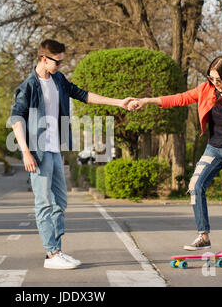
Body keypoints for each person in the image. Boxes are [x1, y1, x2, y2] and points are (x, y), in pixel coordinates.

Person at [11, 39, 134, 270]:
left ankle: (56, 250)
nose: (60, 66)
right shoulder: (28, 86)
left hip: (55, 150)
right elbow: (16, 119)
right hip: (38, 152)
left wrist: (119, 103)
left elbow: (83, 95)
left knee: (61, 202)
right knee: (44, 203)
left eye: (62, 61)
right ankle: (51, 253)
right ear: (43, 59)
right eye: (57, 62)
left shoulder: (58, 79)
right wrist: (25, 152)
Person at [129, 56, 222, 269]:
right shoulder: (205, 89)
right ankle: (203, 235)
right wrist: (146, 101)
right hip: (214, 147)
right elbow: (179, 98)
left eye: (218, 79)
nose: (214, 82)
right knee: (194, 186)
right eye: (211, 77)